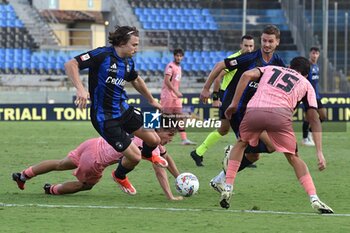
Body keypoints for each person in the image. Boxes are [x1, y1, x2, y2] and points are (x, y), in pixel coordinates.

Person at [221, 57, 334, 214]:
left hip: (255, 110)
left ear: (289, 66)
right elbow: (314, 118)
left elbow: (246, 75)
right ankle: (314, 198)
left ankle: (227, 186)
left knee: (241, 143)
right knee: (293, 157)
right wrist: (319, 152)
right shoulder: (307, 84)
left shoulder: (271, 68)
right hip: (280, 116)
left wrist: (233, 104)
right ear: (306, 74)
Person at [64, 26, 167, 195]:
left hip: (123, 109)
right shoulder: (102, 55)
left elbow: (136, 80)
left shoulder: (128, 61)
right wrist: (80, 89)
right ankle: (119, 175)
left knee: (155, 140)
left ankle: (149, 154)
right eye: (134, 44)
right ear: (121, 43)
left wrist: (151, 100)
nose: (136, 48)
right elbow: (71, 64)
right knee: (134, 157)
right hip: (105, 118)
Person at [195, 25, 285, 192]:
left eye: (270, 41)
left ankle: (220, 178)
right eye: (264, 40)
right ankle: (233, 152)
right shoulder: (249, 58)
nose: (266, 44)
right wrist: (206, 88)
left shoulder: (278, 62)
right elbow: (220, 65)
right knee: (266, 144)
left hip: (252, 109)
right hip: (235, 106)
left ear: (277, 42)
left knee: (255, 155)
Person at [12, 127, 184, 200]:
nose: (170, 139)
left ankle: (24, 175)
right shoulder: (151, 145)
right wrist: (170, 196)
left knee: (60, 163)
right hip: (96, 159)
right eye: (169, 135)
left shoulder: (144, 130)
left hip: (92, 143)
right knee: (85, 185)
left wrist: (180, 178)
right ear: (160, 131)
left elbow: (166, 158)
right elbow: (160, 170)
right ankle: (52, 190)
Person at [190, 35, 255, 166]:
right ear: (241, 45)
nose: (248, 48)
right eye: (246, 45)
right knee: (242, 127)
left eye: (251, 46)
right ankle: (246, 155)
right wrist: (215, 98)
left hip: (239, 97)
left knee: (224, 129)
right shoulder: (234, 59)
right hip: (228, 97)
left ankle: (198, 152)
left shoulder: (252, 60)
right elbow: (219, 77)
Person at [161, 48, 196, 145]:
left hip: (175, 97)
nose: (179, 57)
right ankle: (159, 138)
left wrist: (176, 92)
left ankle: (184, 139)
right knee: (166, 117)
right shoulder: (170, 66)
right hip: (168, 96)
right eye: (177, 55)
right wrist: (175, 91)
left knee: (179, 117)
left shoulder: (179, 68)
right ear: (174, 56)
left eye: (180, 56)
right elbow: (166, 81)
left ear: (183, 57)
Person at [301, 47, 326, 146]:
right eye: (313, 53)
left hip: (317, 95)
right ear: (310, 54)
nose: (314, 55)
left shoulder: (316, 66)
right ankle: (304, 139)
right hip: (308, 96)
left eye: (316, 53)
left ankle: (310, 132)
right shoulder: (306, 66)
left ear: (319, 55)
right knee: (308, 117)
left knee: (323, 116)